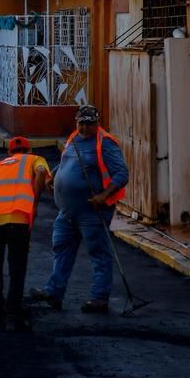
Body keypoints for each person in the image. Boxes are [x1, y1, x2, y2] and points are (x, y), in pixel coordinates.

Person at [30, 105, 128, 314]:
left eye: (89, 123)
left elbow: (121, 174)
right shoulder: (74, 137)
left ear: (97, 122)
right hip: (66, 211)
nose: (84, 127)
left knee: (98, 253)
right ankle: (54, 292)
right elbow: (66, 160)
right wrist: (54, 176)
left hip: (91, 212)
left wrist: (104, 196)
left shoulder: (105, 143)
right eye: (81, 123)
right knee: (61, 250)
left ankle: (99, 298)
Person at [0, 136, 50, 332]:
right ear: (29, 150)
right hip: (18, 219)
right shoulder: (35, 159)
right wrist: (35, 202)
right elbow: (40, 174)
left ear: (9, 152)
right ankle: (13, 314)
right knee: (17, 266)